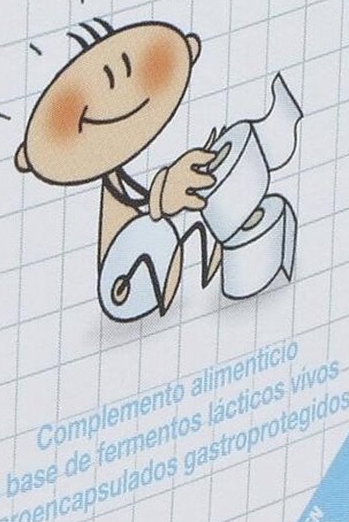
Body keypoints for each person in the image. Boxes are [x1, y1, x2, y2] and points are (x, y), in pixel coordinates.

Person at [15, 18, 218, 321]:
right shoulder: (114, 179)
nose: (113, 76)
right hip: (126, 280)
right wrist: (161, 198)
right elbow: (133, 201)